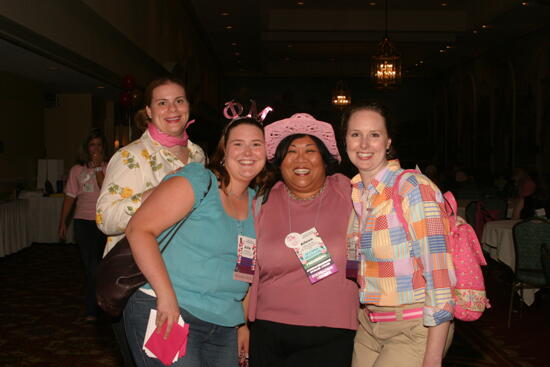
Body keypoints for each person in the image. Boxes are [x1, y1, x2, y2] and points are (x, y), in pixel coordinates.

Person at [123, 114, 269, 367]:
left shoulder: (258, 204)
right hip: (170, 311)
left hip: (224, 323)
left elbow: (247, 270)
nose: (248, 152)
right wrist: (166, 297)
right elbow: (139, 230)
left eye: (257, 144)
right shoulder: (199, 181)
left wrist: (242, 324)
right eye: (238, 143)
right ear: (223, 150)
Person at [96, 76, 206, 367]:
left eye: (179, 100)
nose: (172, 108)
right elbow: (105, 218)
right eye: (162, 102)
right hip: (144, 283)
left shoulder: (197, 155)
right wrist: (151, 196)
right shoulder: (132, 157)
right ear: (148, 111)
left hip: (189, 281)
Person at [342, 102, 455, 367]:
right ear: (345, 140)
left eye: (374, 134)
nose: (364, 144)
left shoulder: (413, 188)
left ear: (388, 141)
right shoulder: (359, 193)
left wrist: (433, 356)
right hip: (370, 327)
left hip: (415, 329)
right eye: (355, 134)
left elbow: (439, 277)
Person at [248, 113, 358, 366]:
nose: (300, 159)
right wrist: (242, 326)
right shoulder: (261, 202)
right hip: (268, 332)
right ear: (280, 161)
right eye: (291, 152)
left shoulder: (348, 193)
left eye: (310, 151)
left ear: (324, 158)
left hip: (333, 333)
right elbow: (246, 269)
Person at [58, 128, 108, 322]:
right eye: (92, 145)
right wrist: (63, 221)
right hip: (83, 222)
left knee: (101, 266)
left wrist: (97, 169)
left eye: (99, 145)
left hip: (104, 222)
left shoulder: (109, 167)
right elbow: (70, 197)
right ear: (86, 148)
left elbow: (106, 191)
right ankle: (91, 308)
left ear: (103, 149)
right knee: (90, 266)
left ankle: (102, 303)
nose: (95, 149)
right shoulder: (76, 170)